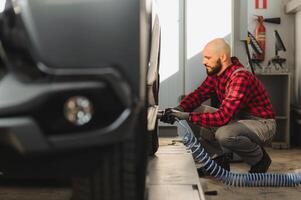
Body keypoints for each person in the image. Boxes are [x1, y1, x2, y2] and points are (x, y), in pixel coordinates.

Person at [161, 38, 276, 174]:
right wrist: (177, 110)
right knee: (190, 105)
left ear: (222, 57)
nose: (204, 62)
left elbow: (223, 117)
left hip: (261, 123)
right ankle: (220, 159)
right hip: (238, 120)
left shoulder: (240, 77)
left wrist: (186, 116)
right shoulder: (216, 75)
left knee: (224, 134)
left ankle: (260, 159)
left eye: (208, 58)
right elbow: (198, 95)